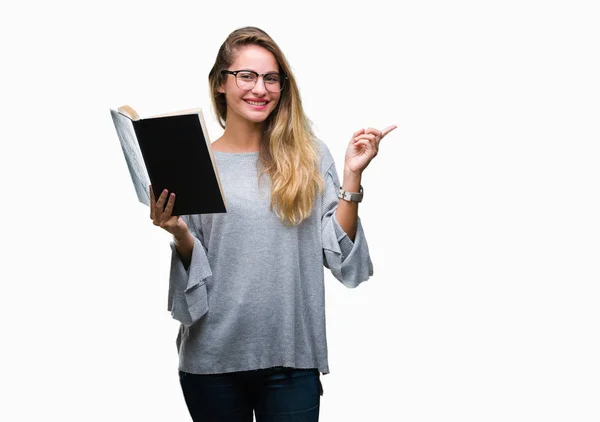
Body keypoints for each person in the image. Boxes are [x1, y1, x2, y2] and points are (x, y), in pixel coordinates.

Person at [149, 26, 396, 422]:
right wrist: (178, 233)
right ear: (219, 84)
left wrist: (352, 178)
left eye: (271, 78)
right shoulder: (193, 163)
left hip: (291, 356)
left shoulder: (309, 156)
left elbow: (341, 257)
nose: (259, 88)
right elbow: (193, 280)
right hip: (212, 361)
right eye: (246, 75)